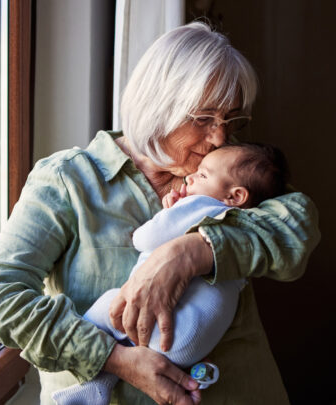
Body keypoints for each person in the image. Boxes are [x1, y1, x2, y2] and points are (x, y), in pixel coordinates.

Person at [0, 22, 320, 405]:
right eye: (203, 118)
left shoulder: (228, 170)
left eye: (229, 119)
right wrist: (112, 358)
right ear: (158, 103)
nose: (220, 137)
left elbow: (297, 226)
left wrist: (191, 252)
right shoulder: (69, 182)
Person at [53, 143, 290, 404]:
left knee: (112, 305)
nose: (191, 177)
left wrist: (170, 213)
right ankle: (98, 389)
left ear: (235, 196)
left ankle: (90, 389)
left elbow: (146, 238)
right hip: (194, 344)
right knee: (132, 345)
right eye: (203, 117)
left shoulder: (201, 205)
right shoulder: (243, 218)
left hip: (171, 330)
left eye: (202, 175)